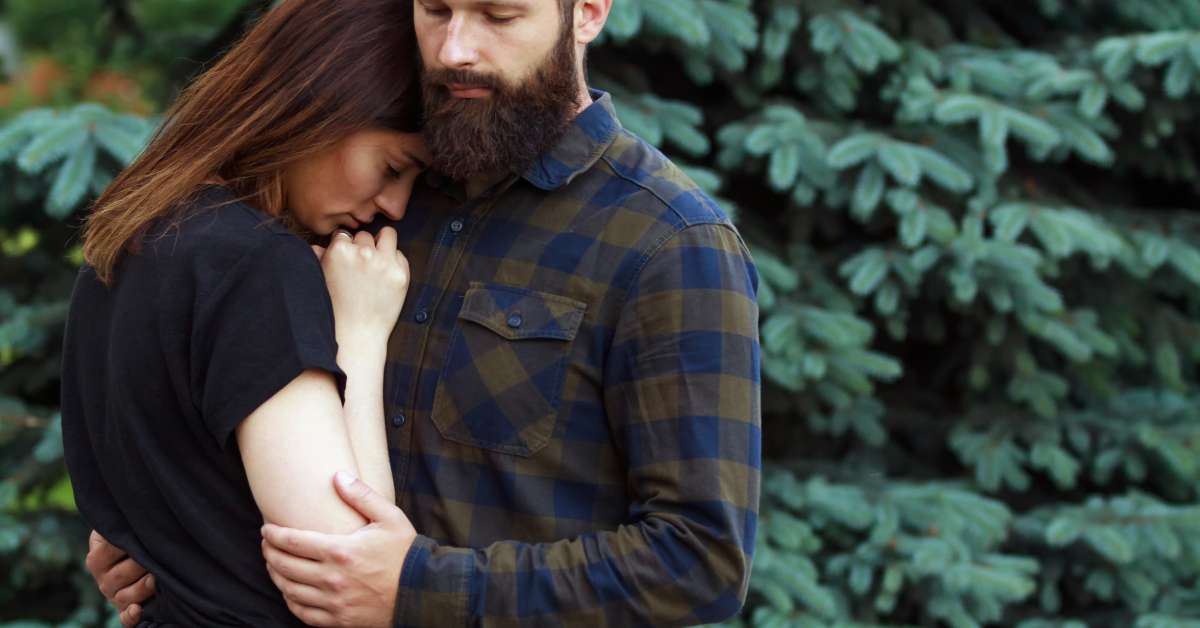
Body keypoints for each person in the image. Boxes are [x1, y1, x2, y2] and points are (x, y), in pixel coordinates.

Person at [89, 0, 764, 625]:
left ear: (586, 12)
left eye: (498, 13)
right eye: (435, 9)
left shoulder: (668, 245)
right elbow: (230, 371)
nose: (454, 48)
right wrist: (159, 524)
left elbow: (698, 560)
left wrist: (419, 589)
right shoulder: (359, 187)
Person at [61, 0, 430, 625]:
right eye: (393, 166)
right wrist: (362, 335)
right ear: (319, 106)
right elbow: (344, 560)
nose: (393, 205)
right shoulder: (257, 264)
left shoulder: (129, 239)